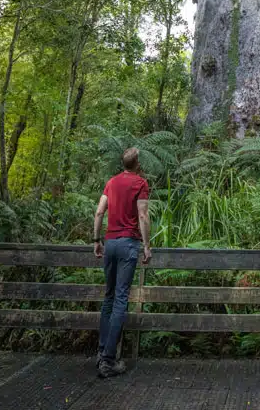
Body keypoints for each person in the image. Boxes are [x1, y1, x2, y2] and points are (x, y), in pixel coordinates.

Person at [93, 146, 152, 378]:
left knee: (108, 298)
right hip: (128, 244)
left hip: (110, 243)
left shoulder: (111, 182)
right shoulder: (140, 183)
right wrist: (147, 246)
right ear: (137, 164)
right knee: (120, 299)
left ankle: (101, 353)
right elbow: (143, 215)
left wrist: (96, 240)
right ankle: (108, 360)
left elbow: (99, 213)